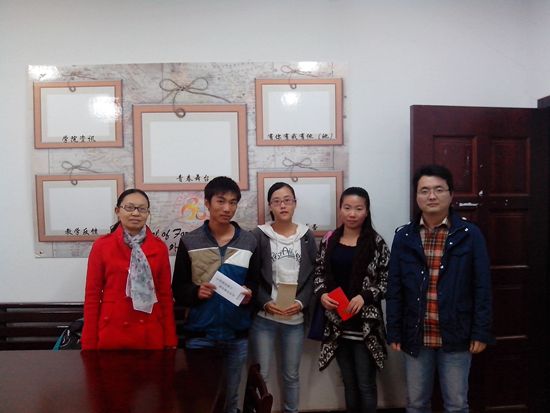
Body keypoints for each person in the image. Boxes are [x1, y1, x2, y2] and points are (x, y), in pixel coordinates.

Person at [386, 164, 493, 413]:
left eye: (438, 189)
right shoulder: (404, 237)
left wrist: (481, 332)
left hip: (457, 334)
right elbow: (394, 288)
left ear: (451, 194)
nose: (431, 196)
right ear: (416, 196)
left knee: (456, 404)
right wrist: (394, 331)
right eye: (424, 190)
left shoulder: (470, 235)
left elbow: (482, 286)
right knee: (416, 404)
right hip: (416, 333)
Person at [172, 176, 257, 413]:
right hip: (200, 335)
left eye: (233, 202)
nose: (227, 208)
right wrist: (195, 292)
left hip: (236, 336)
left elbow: (256, 283)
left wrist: (250, 294)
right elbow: (178, 288)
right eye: (221, 201)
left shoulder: (249, 241)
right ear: (207, 203)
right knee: (201, 400)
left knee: (231, 399)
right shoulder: (190, 241)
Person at [314, 187, 389, 413]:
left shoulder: (376, 243)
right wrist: (322, 294)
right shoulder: (329, 240)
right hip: (337, 324)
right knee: (348, 383)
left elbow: (387, 280)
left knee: (366, 384)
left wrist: (365, 296)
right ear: (340, 209)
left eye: (358, 208)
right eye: (347, 208)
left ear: (366, 211)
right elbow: (319, 273)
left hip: (365, 326)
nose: (352, 214)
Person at [249, 182, 317, 413]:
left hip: (294, 319)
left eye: (287, 200)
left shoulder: (306, 236)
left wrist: (301, 303)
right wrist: (265, 302)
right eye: (277, 201)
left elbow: (314, 274)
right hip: (264, 318)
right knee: (262, 375)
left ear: (295, 203)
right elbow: (252, 275)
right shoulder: (259, 235)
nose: (283, 205)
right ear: (270, 206)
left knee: (291, 375)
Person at [81, 188, 177, 350]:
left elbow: (165, 296)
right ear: (117, 211)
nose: (136, 213)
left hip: (150, 331)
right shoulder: (102, 246)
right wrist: (89, 342)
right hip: (112, 330)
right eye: (129, 207)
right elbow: (92, 296)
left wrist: (170, 339)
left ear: (148, 213)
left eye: (142, 209)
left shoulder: (159, 247)